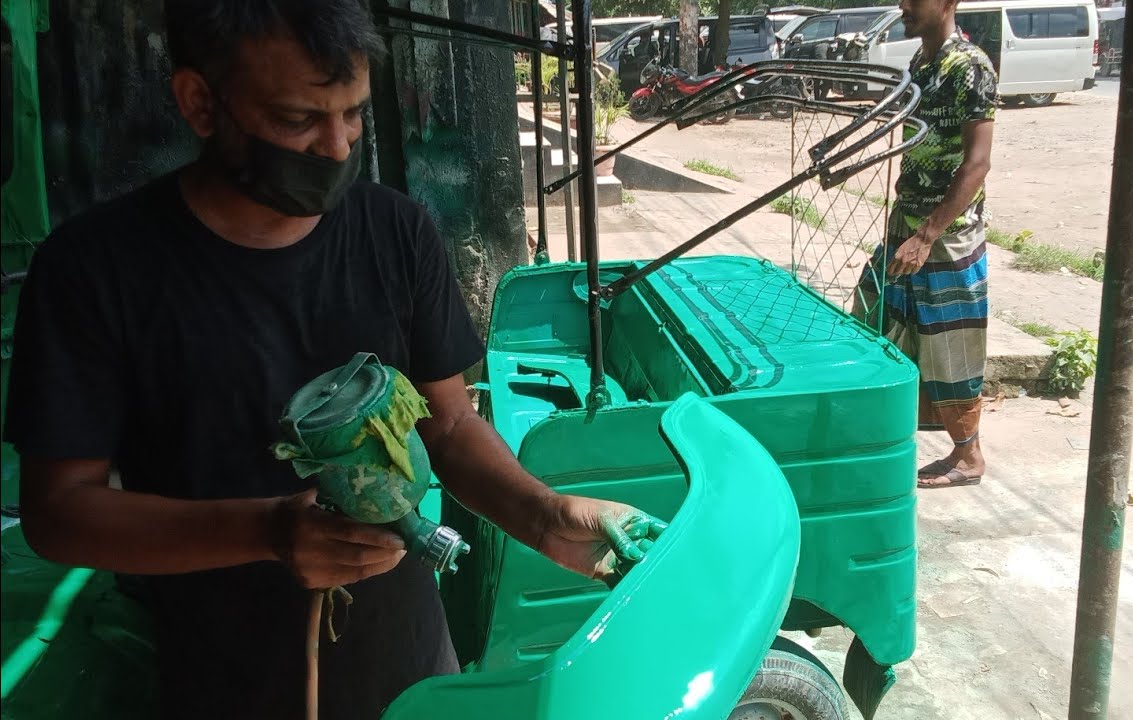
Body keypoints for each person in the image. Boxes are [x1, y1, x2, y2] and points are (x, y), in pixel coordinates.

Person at [3, 1, 663, 718]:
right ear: (199, 102)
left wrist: (545, 517)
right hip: (219, 674)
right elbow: (59, 513)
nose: (339, 147)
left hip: (404, 655)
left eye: (352, 113)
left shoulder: (396, 231)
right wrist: (265, 532)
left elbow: (446, 426)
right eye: (298, 120)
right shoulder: (95, 270)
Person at [853, 0, 996, 489]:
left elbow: (976, 164)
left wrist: (928, 233)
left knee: (951, 343)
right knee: (877, 315)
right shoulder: (922, 63)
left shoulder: (970, 67)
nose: (903, 6)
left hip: (946, 235)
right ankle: (892, 427)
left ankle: (968, 456)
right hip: (906, 223)